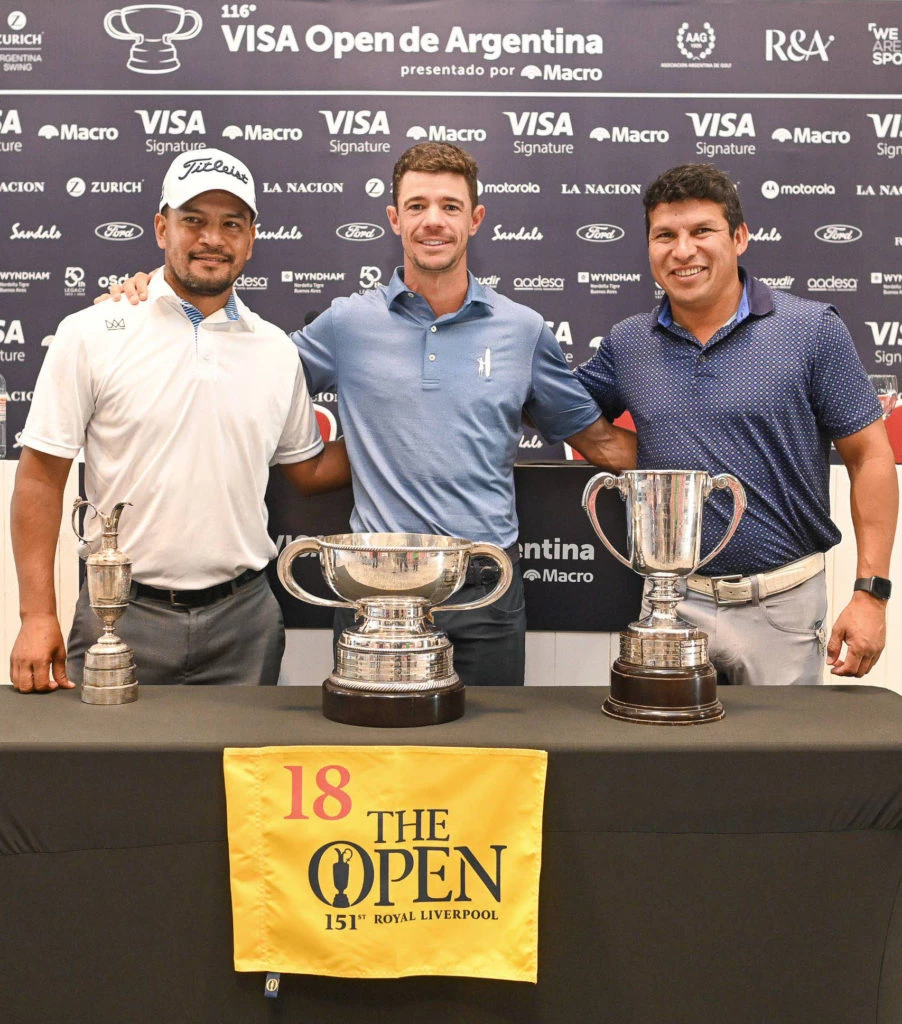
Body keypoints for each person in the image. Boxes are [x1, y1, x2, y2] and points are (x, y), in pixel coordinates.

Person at [10, 148, 351, 693]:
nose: (212, 238)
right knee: (103, 777)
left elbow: (307, 472)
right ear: (161, 227)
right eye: (194, 220)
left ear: (251, 239)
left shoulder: (275, 350)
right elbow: (39, 477)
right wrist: (35, 616)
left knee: (237, 779)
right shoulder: (93, 331)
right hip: (118, 612)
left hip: (245, 622)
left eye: (231, 224)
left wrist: (404, 434)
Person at [575, 163, 897, 684]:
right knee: (668, 761)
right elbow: (570, 414)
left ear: (740, 237)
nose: (683, 250)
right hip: (671, 603)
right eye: (666, 235)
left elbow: (871, 457)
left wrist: (871, 593)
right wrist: (654, 460)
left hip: (782, 608)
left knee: (778, 765)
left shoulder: (812, 330)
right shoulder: (627, 343)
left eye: (702, 231)